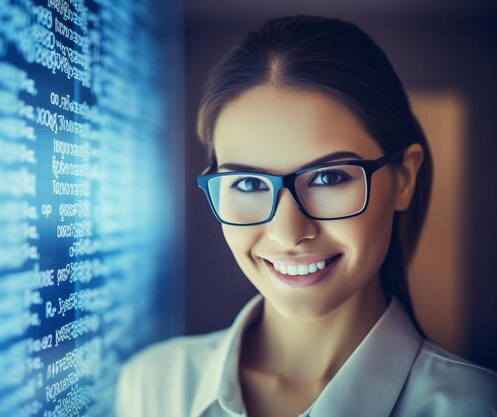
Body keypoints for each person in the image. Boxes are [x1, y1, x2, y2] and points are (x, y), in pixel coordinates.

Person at [115, 15, 496, 417]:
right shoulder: (151, 386)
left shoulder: (476, 407)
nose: (288, 232)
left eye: (328, 177)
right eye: (248, 184)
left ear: (403, 179)